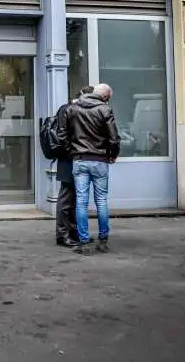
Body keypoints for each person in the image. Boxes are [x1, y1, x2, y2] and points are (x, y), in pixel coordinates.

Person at [63, 83, 120, 256]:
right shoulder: (104, 110)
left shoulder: (72, 108)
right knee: (101, 200)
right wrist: (112, 154)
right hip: (99, 160)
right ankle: (103, 240)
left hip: (79, 159)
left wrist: (71, 151)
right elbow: (114, 138)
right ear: (105, 97)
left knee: (81, 201)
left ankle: (84, 241)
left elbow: (63, 134)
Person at [54, 85, 94, 248]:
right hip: (68, 159)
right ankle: (63, 235)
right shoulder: (67, 110)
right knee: (66, 198)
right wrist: (74, 153)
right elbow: (63, 136)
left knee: (74, 198)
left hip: (73, 157)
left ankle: (73, 232)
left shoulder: (72, 109)